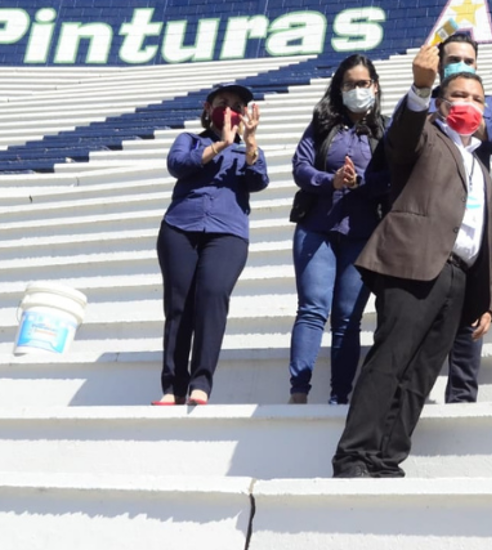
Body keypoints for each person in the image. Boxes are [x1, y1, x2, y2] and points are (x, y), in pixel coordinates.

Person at [332, 43, 492, 478]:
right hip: (413, 263)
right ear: (441, 102)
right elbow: (400, 140)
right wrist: (421, 88)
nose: (469, 104)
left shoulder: (479, 163)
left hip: (459, 276)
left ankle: (386, 459)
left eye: (477, 99)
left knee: (421, 374)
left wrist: (484, 299)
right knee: (390, 360)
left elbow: (481, 233)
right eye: (459, 95)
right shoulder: (425, 133)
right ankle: (353, 456)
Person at [153, 83, 267, 406]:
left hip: (227, 232)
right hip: (180, 228)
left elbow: (258, 180)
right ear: (208, 107)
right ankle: (173, 387)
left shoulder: (248, 150)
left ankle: (201, 382)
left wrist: (249, 142)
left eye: (237, 105)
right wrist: (219, 145)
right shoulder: (190, 140)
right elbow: (177, 165)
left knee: (213, 296)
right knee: (178, 306)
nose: (229, 109)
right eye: (222, 102)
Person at [287, 55, 389, 405]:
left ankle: (339, 397)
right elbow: (300, 166)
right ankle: (298, 391)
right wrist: (330, 180)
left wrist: (362, 182)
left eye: (363, 84)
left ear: (375, 86)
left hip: (362, 233)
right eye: (349, 84)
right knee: (312, 309)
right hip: (317, 227)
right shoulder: (322, 124)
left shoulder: (386, 129)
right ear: (339, 88)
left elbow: (394, 176)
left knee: (348, 318)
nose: (357, 90)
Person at [429, 33, 492, 403]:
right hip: (431, 216)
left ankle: (462, 398)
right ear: (439, 64)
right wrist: (443, 111)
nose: (461, 66)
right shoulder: (424, 102)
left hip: (472, 214)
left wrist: (470, 116)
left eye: (468, 60)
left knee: (471, 311)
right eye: (453, 60)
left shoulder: (491, 104)